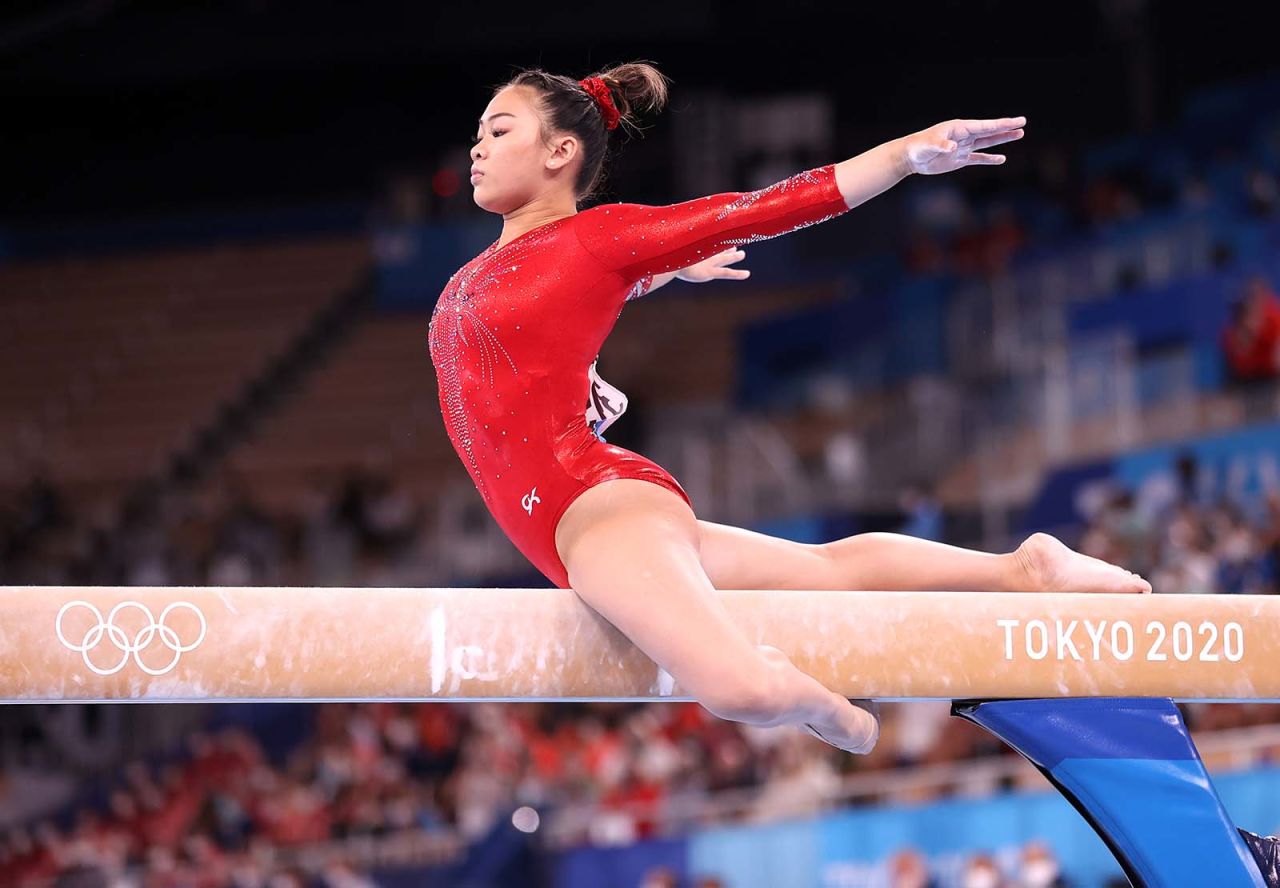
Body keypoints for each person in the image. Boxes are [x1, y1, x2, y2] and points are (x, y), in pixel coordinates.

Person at [429, 61, 1151, 756]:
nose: (476, 147)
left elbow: (766, 208)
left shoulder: (601, 237)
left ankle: (838, 717)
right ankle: (1024, 571)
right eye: (479, 134)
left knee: (741, 689)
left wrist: (902, 155)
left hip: (592, 510)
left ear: (561, 150)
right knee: (826, 571)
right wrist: (647, 279)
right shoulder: (497, 268)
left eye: (498, 131)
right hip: (577, 524)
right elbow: (534, 324)